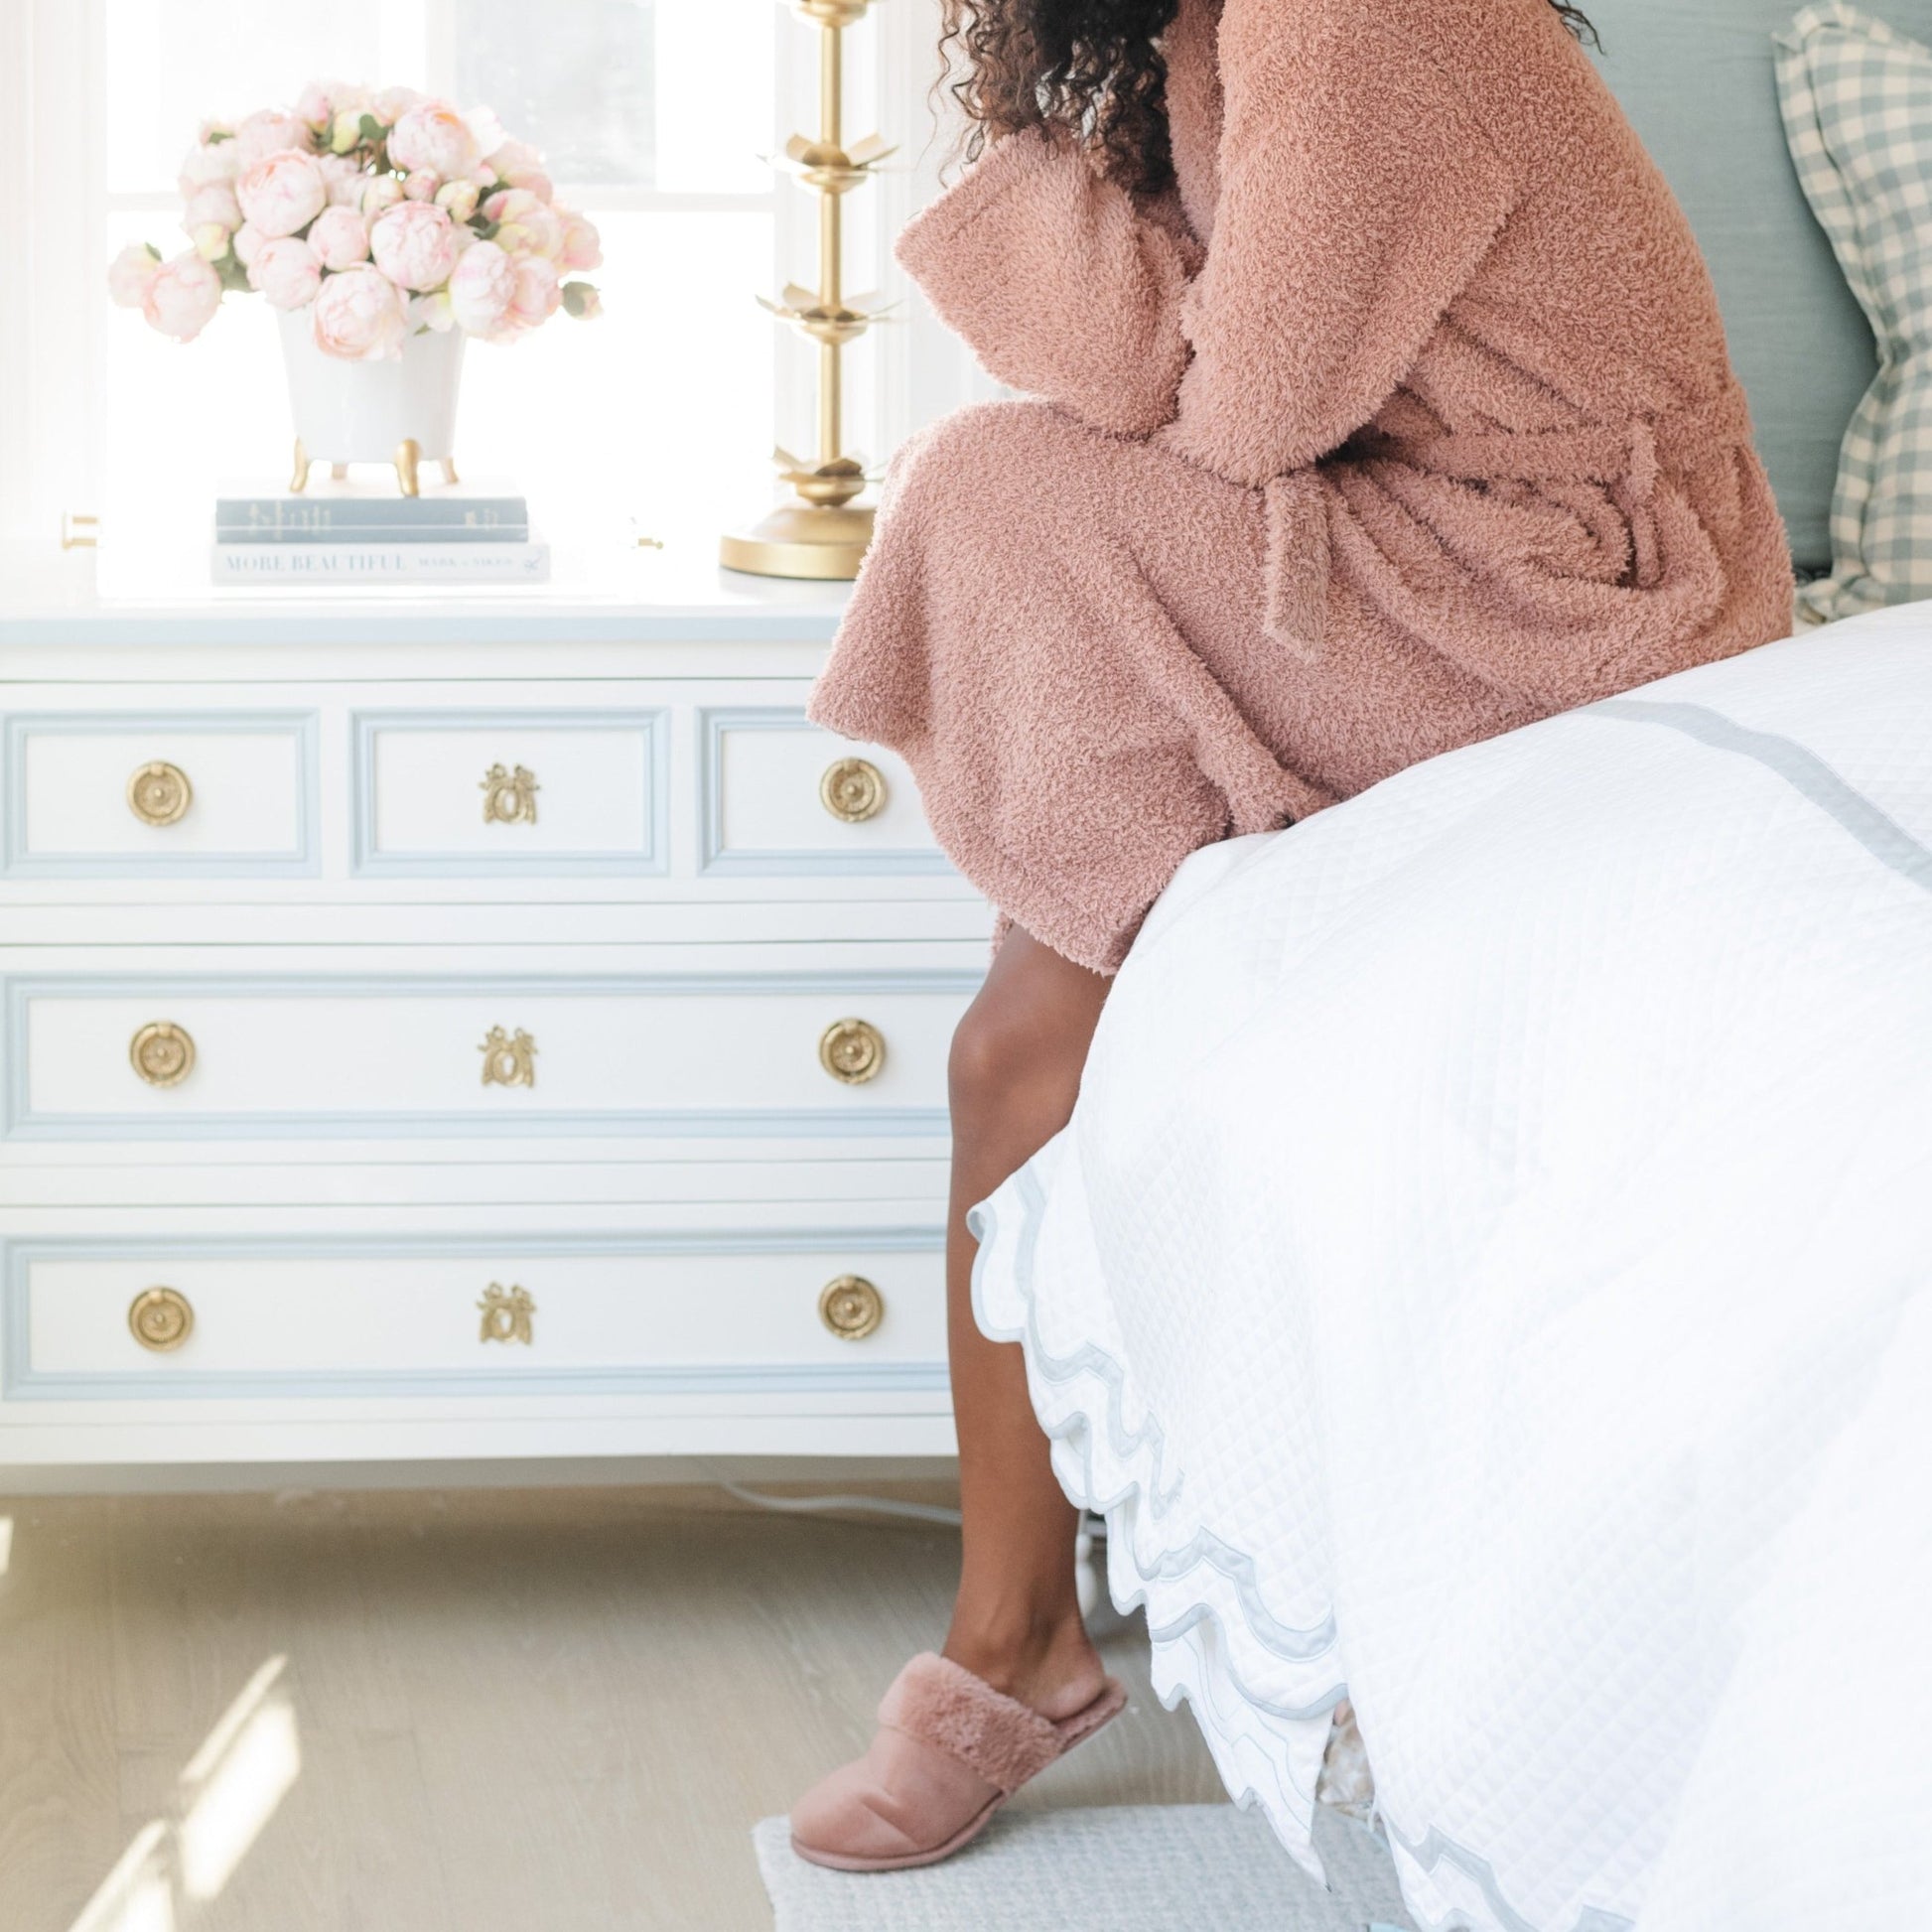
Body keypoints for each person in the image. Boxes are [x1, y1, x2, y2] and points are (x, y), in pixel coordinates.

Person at [789, 0, 1794, 1871]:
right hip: (1418, 554)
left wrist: (1044, 209)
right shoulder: (1213, 33)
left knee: (991, 496)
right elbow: (1204, 391)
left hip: (1559, 598)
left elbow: (1239, 409)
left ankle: (1012, 1642)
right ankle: (1020, 1625)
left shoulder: (1354, 12)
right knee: (1013, 1035)